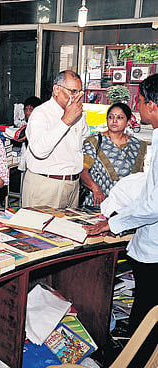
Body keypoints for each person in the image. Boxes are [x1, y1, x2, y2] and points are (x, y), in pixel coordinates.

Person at [84, 74, 158, 363]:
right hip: (144, 235)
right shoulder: (97, 140)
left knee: (147, 314)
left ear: (151, 105)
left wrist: (112, 223)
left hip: (153, 248)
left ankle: (137, 359)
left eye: (139, 102)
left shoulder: (144, 143)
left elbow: (153, 203)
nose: (138, 107)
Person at [22, 70, 89, 208]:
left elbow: (85, 140)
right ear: (56, 89)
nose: (77, 97)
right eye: (73, 91)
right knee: (39, 229)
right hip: (47, 184)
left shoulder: (78, 114)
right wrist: (66, 121)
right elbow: (40, 150)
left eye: (80, 92)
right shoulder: (41, 114)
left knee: (67, 228)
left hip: (73, 184)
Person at [80, 102, 147, 207]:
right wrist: (95, 188)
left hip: (126, 205)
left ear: (128, 122)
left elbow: (139, 177)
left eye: (120, 117)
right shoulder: (94, 142)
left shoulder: (138, 145)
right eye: (111, 117)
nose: (114, 120)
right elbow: (83, 171)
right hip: (97, 203)